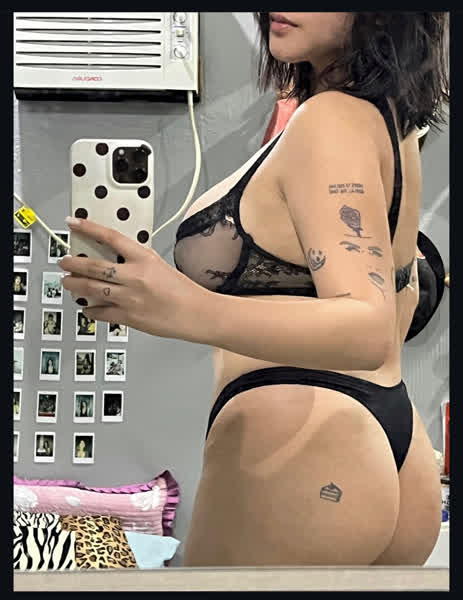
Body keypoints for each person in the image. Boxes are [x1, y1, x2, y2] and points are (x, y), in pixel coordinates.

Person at [59, 12, 449, 567]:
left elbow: (369, 325)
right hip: (391, 446)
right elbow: (400, 299)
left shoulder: (331, 121)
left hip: (301, 444)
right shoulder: (388, 123)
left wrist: (185, 307)